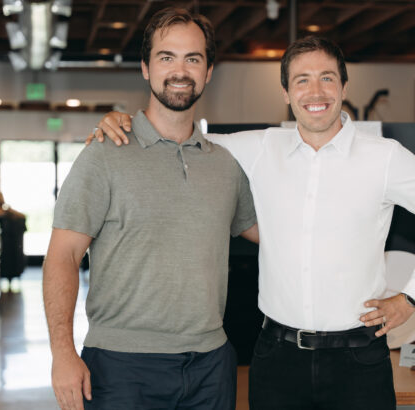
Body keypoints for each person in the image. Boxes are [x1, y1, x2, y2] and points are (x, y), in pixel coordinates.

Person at [89, 36, 415, 410]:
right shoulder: (259, 148)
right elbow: (178, 138)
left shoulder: (385, 158)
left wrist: (412, 297)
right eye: (302, 80)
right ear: (286, 93)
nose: (315, 91)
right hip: (277, 360)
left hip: (359, 361)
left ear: (344, 86)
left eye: (327, 78)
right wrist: (125, 123)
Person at [43, 7, 258, 410]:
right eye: (166, 57)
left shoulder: (225, 165)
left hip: (211, 366)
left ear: (209, 71)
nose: (180, 70)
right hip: (121, 367)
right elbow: (62, 257)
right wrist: (63, 352)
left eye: (193, 59)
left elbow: (277, 233)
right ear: (145, 68)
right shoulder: (104, 154)